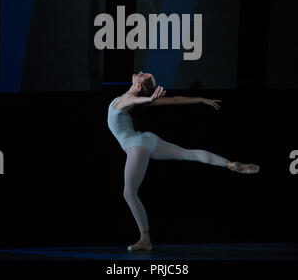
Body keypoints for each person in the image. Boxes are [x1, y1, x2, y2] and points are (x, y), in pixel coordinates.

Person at [107, 71, 260, 252]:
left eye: (142, 75)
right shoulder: (136, 101)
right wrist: (201, 100)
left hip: (136, 143)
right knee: (187, 153)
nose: (139, 72)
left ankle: (145, 238)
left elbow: (132, 101)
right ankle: (229, 164)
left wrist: (148, 100)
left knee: (129, 194)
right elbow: (174, 100)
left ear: (139, 86)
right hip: (147, 139)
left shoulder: (124, 99)